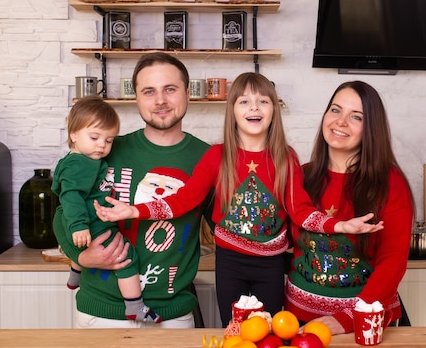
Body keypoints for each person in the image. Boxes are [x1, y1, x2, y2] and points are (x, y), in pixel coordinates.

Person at [94, 72, 384, 327]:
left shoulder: (286, 158)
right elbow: (183, 200)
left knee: (268, 332)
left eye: (263, 101)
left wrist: (340, 226)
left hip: (270, 266)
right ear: (232, 110)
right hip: (230, 262)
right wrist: (134, 210)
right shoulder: (216, 156)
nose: (254, 107)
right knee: (232, 331)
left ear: (274, 111)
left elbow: (301, 212)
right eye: (244, 101)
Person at [52, 52, 212, 329]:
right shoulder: (106, 149)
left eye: (170, 89)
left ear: (187, 93)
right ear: (135, 97)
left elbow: (226, 226)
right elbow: (62, 210)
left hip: (171, 315)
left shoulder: (208, 158)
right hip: (99, 312)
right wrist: (80, 256)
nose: (160, 100)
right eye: (149, 91)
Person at [283, 81, 415, 335]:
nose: (340, 122)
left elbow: (393, 262)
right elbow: (281, 241)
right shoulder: (302, 176)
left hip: (362, 324)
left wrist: (349, 318)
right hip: (296, 322)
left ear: (371, 128)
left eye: (356, 116)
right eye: (335, 110)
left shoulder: (390, 182)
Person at [52, 96, 161, 323]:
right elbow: (70, 196)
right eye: (94, 137)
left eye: (109, 140)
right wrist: (79, 226)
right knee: (126, 256)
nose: (102, 145)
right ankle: (135, 306)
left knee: (83, 244)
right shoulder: (79, 164)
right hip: (92, 221)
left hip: (89, 218)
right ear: (73, 134)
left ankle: (75, 276)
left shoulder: (83, 159)